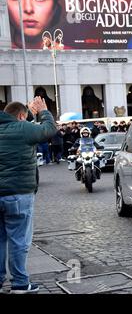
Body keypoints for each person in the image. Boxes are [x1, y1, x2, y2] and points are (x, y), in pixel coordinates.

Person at [0, 96, 57, 293]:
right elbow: (49, 130)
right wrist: (43, 112)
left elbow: (22, 120)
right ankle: (20, 283)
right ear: (22, 117)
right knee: (19, 241)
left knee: (0, 241)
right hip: (19, 194)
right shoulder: (24, 129)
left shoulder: (17, 124)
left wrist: (31, 112)